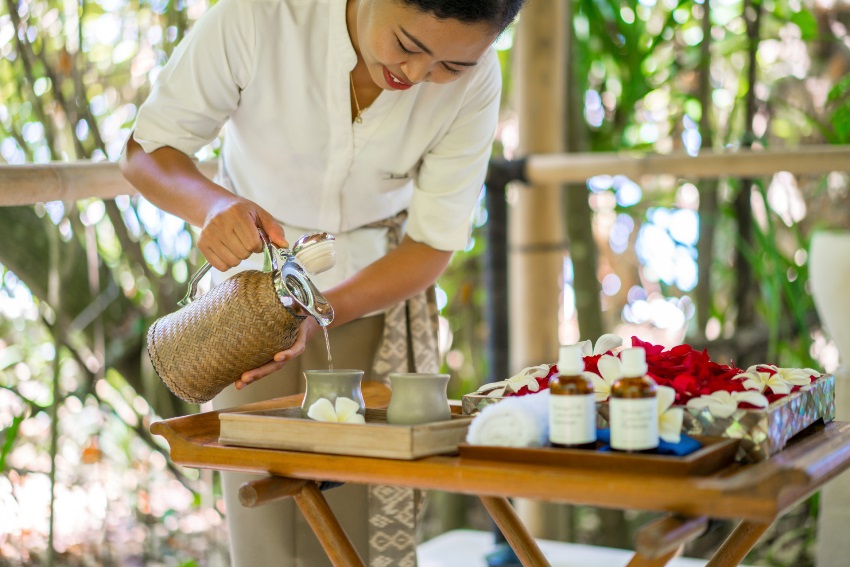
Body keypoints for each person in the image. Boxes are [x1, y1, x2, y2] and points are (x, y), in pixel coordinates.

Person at [121, 0, 525, 565]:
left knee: (356, 524)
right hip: (246, 310)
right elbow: (145, 152)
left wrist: (322, 312)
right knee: (262, 523)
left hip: (370, 298)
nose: (417, 75)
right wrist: (212, 206)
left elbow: (431, 244)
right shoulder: (259, 16)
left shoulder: (477, 83)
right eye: (407, 45)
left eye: (450, 66)